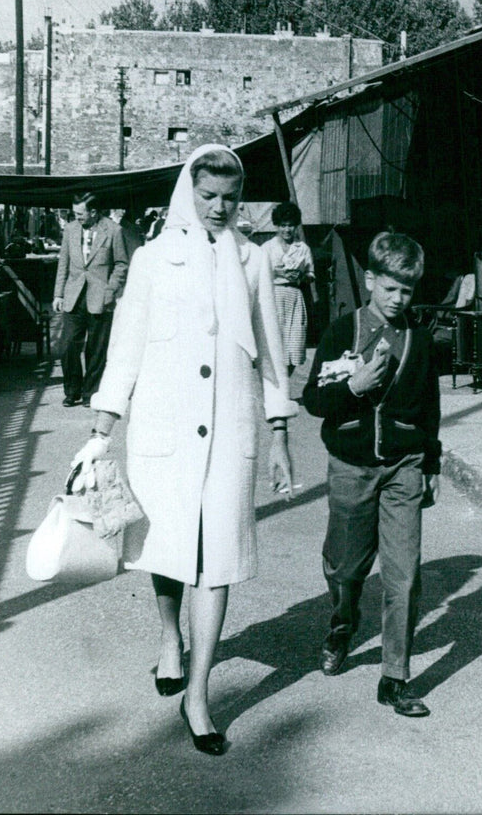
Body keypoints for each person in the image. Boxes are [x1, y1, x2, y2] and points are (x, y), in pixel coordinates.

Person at [74, 144, 297, 756]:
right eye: (208, 197)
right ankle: (170, 636)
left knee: (217, 555)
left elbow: (272, 352)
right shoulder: (152, 259)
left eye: (230, 197)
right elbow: (126, 345)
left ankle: (199, 696)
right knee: (170, 548)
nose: (220, 208)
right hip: (164, 429)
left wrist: (280, 433)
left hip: (231, 427)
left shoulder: (252, 261)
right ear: (188, 193)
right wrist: (101, 430)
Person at [302, 232, 441, 718]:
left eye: (407, 290)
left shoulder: (419, 340)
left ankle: (394, 678)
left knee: (403, 576)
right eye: (390, 289)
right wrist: (354, 387)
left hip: (403, 467)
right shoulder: (344, 330)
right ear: (370, 282)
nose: (399, 299)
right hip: (352, 467)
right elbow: (314, 402)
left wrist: (433, 463)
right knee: (344, 567)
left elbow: (430, 408)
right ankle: (343, 623)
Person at [53, 193, 129, 408]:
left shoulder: (114, 231)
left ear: (93, 212)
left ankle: (90, 394)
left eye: (80, 214)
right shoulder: (70, 230)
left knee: (96, 350)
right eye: (74, 213)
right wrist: (58, 294)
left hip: (100, 299)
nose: (76, 217)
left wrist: (110, 290)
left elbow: (122, 264)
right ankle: (71, 391)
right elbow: (63, 263)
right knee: (67, 346)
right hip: (73, 297)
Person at [262, 201, 315, 375]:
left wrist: (301, 278)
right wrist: (276, 273)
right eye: (283, 225)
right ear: (277, 226)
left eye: (291, 225)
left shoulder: (303, 248)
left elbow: (310, 274)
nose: (287, 230)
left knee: (294, 344)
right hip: (274, 296)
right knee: (275, 342)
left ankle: (285, 387)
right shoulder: (267, 248)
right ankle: (274, 389)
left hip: (295, 296)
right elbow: (259, 275)